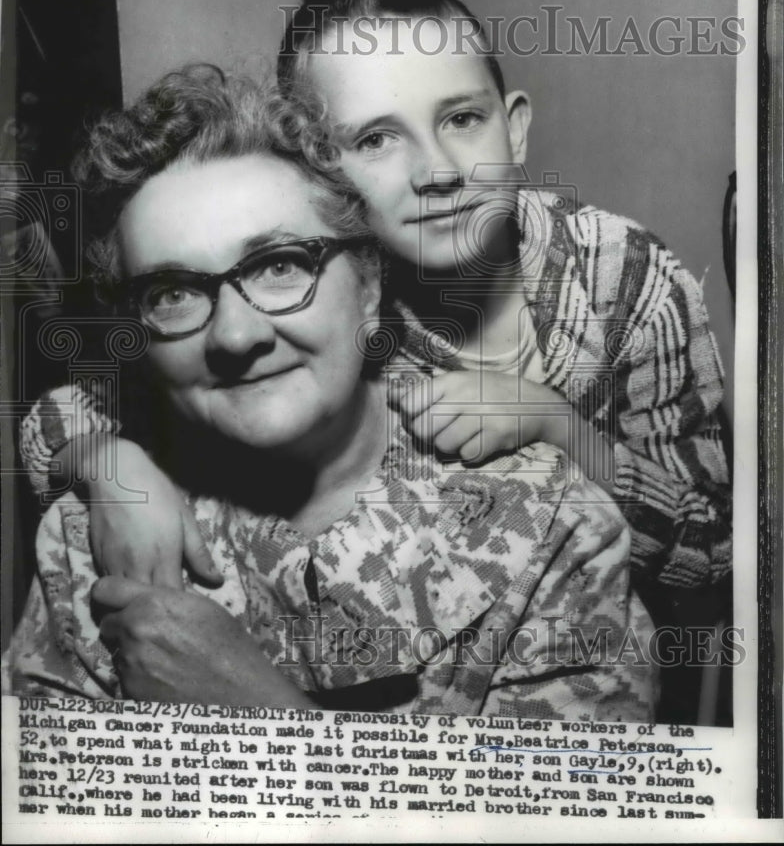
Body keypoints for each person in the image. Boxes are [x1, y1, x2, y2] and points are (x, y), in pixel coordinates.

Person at [20, 0, 730, 592]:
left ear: (514, 131)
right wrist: (108, 464)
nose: (438, 170)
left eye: (462, 118)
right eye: (375, 139)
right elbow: (57, 416)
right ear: (318, 170)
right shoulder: (321, 293)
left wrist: (558, 425)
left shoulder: (626, 274)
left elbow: (718, 549)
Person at [5, 66, 655, 719]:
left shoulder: (549, 527)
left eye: (281, 265)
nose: (234, 334)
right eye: (171, 293)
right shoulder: (98, 538)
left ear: (369, 288)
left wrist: (262, 715)